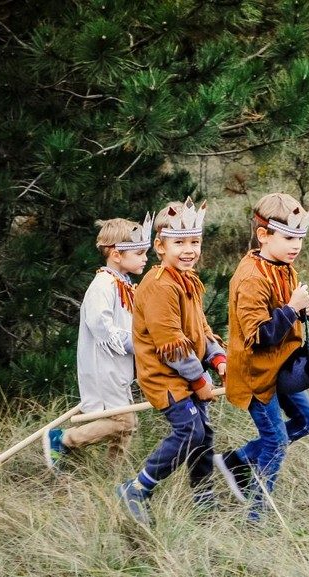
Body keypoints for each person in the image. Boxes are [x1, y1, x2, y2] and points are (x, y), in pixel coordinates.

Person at [116, 198, 227, 524]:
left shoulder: (187, 279)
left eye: (195, 242)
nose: (189, 249)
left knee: (203, 432)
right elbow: (171, 345)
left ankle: (203, 495)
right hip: (163, 376)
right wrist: (199, 380)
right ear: (159, 246)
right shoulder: (160, 286)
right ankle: (136, 488)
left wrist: (218, 357)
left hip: (186, 371)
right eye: (179, 243)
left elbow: (198, 329)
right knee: (189, 430)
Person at [216, 193, 309, 522]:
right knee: (276, 442)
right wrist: (291, 308)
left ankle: (237, 460)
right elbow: (260, 336)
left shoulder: (284, 266)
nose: (296, 246)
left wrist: (303, 310)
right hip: (256, 375)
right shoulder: (251, 278)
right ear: (264, 235)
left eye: (300, 239)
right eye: (289, 238)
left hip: (283, 369)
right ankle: (256, 514)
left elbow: (288, 315)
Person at [43, 216, 150, 470]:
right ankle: (64, 439)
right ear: (116, 254)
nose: (145, 258)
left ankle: (113, 473)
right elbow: (101, 326)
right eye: (139, 252)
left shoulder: (123, 283)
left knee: (126, 424)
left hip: (119, 366)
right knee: (125, 421)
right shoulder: (102, 284)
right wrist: (136, 343)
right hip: (104, 366)